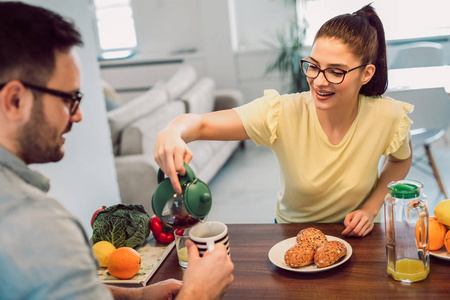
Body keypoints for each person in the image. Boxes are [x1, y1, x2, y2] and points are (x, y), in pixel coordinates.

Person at [0, 2, 233, 300]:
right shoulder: (39, 226)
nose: (78, 115)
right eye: (69, 98)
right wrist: (199, 293)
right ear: (15, 100)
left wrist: (135, 296)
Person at [154, 4, 413, 238]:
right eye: (313, 66)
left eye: (335, 71)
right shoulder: (281, 113)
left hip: (361, 236)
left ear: (366, 74)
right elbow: (200, 124)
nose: (319, 81)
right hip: (291, 234)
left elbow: (401, 159)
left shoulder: (386, 116)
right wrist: (172, 131)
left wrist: (370, 207)